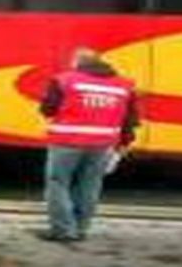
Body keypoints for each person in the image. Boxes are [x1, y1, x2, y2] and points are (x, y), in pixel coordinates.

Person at [37, 48, 139, 243]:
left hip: (67, 141)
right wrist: (123, 145)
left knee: (58, 183)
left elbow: (47, 109)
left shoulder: (65, 80)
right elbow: (130, 120)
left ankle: (64, 230)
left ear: (77, 62)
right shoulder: (124, 85)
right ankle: (81, 228)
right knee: (90, 185)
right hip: (103, 144)